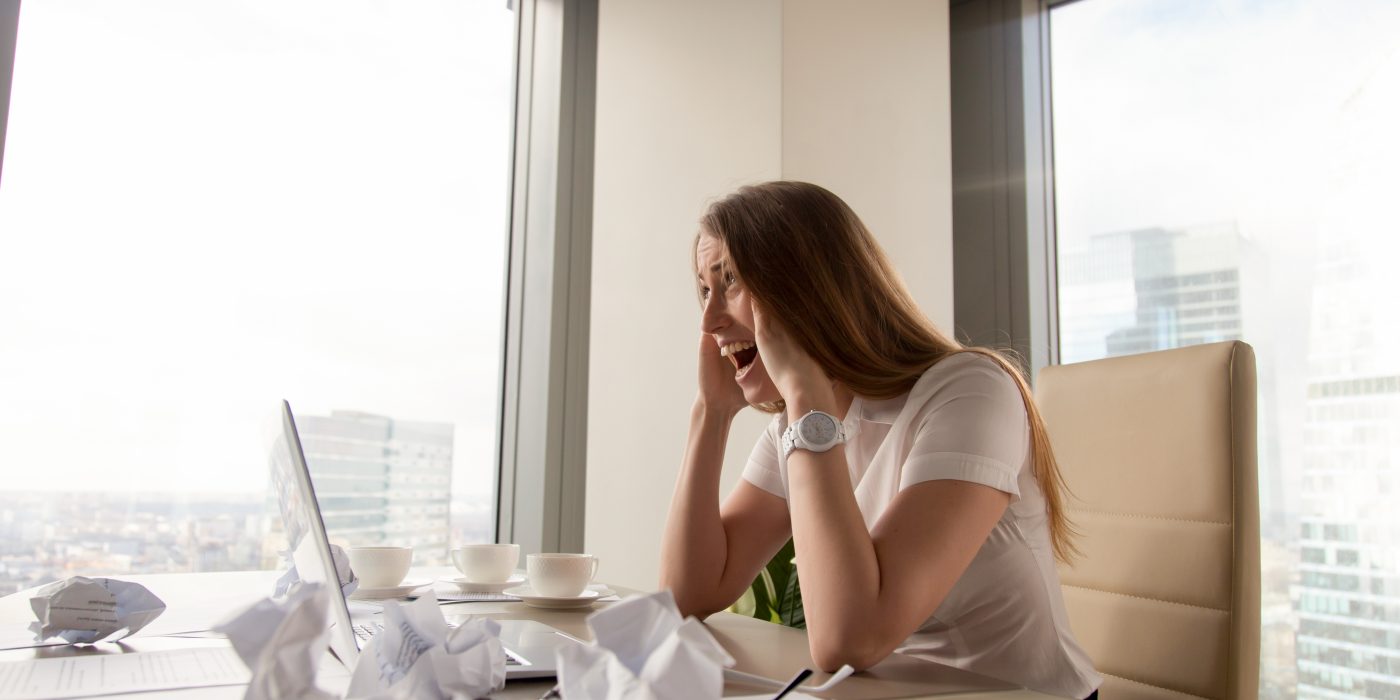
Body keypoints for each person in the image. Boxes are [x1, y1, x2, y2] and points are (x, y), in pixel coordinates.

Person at [659, 181, 1102, 698]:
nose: (709, 320)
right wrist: (710, 415)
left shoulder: (969, 392)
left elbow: (849, 639)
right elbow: (688, 593)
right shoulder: (800, 425)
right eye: (704, 289)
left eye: (730, 281)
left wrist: (804, 396)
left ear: (805, 286)